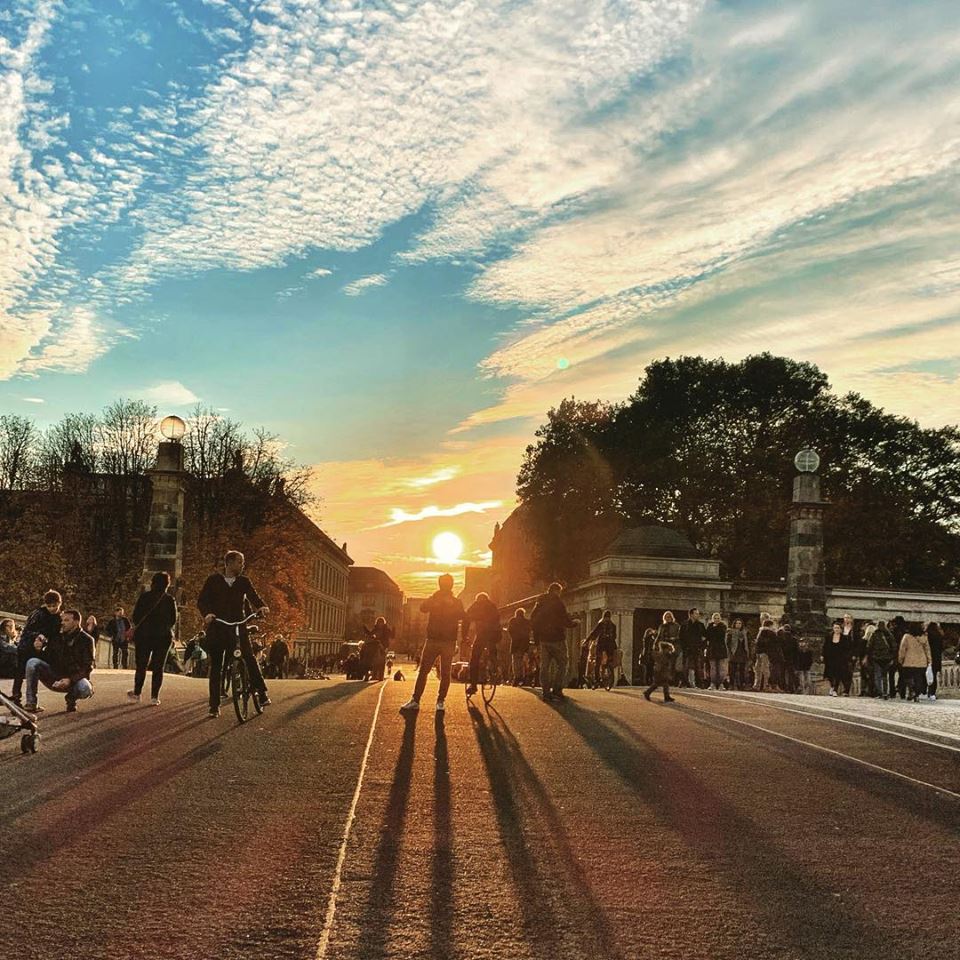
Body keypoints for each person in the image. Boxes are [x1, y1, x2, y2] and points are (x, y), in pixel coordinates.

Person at [198, 550, 271, 718]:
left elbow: (254, 596)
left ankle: (262, 692)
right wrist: (207, 614)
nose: (242, 565)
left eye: (242, 562)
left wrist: (261, 606)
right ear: (229, 563)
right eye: (239, 562)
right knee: (216, 667)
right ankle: (214, 706)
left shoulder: (243, 582)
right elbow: (202, 600)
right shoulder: (213, 580)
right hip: (219, 626)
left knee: (249, 657)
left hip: (238, 625)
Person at [401, 573, 465, 714]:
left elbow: (461, 615)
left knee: (426, 671)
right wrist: (436, 599)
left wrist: (444, 603)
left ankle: (416, 700)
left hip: (437, 640)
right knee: (443, 672)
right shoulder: (451, 600)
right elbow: (424, 607)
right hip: (444, 640)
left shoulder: (454, 602)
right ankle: (439, 701)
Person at [24, 608, 95, 713]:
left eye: (66, 620)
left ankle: (71, 698)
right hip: (55, 677)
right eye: (62, 620)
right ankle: (31, 703)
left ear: (76, 622)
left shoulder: (87, 640)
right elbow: (47, 658)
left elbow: (88, 666)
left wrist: (70, 679)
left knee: (85, 689)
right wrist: (37, 650)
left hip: (73, 680)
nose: (62, 623)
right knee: (32, 662)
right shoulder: (57, 637)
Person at [127, 571, 178, 706]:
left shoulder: (144, 597)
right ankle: (154, 697)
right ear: (167, 585)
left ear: (152, 583)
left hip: (144, 636)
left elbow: (136, 616)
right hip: (163, 637)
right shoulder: (169, 599)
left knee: (141, 666)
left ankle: (137, 693)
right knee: (158, 667)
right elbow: (173, 620)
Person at [9, 590, 63, 704]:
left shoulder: (59, 617)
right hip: (26, 645)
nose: (52, 608)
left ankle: (31, 700)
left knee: (33, 672)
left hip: (40, 647)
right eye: (49, 606)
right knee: (20, 671)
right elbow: (27, 630)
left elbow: (56, 635)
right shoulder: (38, 613)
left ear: (60, 603)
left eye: (55, 606)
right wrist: (38, 635)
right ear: (45, 605)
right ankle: (16, 696)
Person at [530, 582, 575, 702]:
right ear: (557, 591)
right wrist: (574, 623)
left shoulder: (539, 603)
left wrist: (536, 640)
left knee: (545, 666)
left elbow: (533, 620)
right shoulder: (558, 603)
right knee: (563, 663)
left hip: (543, 640)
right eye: (559, 592)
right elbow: (564, 620)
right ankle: (557, 689)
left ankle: (545, 692)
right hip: (557, 639)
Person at [464, 592, 502, 697]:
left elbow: (467, 618)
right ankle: (494, 665)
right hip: (495, 634)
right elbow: (498, 619)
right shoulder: (492, 606)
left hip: (482, 635)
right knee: (492, 648)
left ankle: (473, 685)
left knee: (474, 659)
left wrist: (464, 636)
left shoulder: (476, 605)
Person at [898, 623, 931, 703]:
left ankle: (911, 690)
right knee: (919, 679)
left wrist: (900, 659)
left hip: (909, 661)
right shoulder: (924, 637)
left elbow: (902, 649)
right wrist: (929, 660)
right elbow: (927, 650)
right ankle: (916, 695)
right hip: (921, 662)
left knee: (908, 677)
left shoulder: (906, 637)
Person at [585, 611, 618, 688]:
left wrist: (587, 640)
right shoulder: (613, 625)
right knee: (610, 660)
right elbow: (615, 636)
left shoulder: (601, 624)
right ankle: (609, 671)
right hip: (610, 646)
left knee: (598, 662)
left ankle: (597, 680)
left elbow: (594, 633)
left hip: (601, 645)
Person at [866, 619, 895, 700]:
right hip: (887, 658)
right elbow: (894, 646)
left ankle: (880, 692)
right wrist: (892, 656)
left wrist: (870, 656)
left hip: (876, 658)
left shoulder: (874, 634)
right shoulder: (889, 634)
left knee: (877, 675)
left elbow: (869, 646)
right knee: (885, 676)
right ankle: (885, 692)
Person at [822, 620, 852, 697]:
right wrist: (822, 655)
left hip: (840, 659)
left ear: (840, 629)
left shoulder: (844, 638)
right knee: (830, 674)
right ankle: (832, 686)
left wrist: (846, 657)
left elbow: (847, 648)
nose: (836, 629)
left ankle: (835, 689)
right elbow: (825, 647)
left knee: (838, 674)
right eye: (835, 628)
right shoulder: (829, 637)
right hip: (830, 658)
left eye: (838, 628)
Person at [643, 634, 676, 703]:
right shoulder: (661, 655)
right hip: (659, 671)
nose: (670, 651)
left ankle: (666, 696)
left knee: (664, 684)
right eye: (669, 650)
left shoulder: (664, 655)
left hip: (661, 671)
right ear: (665, 649)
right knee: (656, 684)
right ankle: (647, 692)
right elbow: (662, 664)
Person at [679, 608, 706, 688]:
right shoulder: (684, 624)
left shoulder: (700, 625)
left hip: (697, 649)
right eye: (696, 613)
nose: (698, 615)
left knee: (698, 666)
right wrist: (684, 647)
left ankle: (699, 684)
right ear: (691, 614)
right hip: (687, 648)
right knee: (685, 666)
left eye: (698, 614)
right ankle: (684, 682)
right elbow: (681, 637)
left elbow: (705, 636)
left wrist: (702, 646)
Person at [507, 609, 531, 686]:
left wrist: (514, 637)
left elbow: (510, 631)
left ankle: (517, 677)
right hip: (524, 644)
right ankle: (524, 676)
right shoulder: (527, 622)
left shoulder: (512, 621)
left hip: (515, 644)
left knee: (515, 661)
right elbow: (528, 632)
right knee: (523, 661)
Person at [725, 618, 749, 691]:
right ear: (734, 624)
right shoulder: (731, 632)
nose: (738, 625)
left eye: (740, 623)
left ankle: (741, 685)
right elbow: (728, 643)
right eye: (737, 623)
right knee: (732, 670)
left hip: (742, 652)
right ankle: (731, 684)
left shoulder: (745, 632)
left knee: (742, 670)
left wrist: (747, 651)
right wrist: (730, 652)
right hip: (734, 652)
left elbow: (748, 642)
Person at [704, 612, 727, 691]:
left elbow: (721, 635)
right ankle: (712, 683)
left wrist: (715, 628)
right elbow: (708, 636)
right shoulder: (710, 627)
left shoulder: (723, 627)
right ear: (713, 619)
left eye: (718, 618)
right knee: (713, 668)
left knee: (721, 668)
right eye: (715, 618)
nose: (716, 620)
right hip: (712, 650)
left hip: (721, 650)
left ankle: (721, 684)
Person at [753, 619, 777, 692]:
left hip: (759, 652)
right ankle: (765, 685)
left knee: (758, 669)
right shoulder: (770, 632)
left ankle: (757, 685)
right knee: (765, 669)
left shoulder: (760, 632)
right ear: (770, 625)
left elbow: (758, 642)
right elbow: (773, 643)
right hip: (765, 653)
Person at [924, 622, 944, 701]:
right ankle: (932, 693)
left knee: (926, 675)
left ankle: (925, 692)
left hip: (928, 658)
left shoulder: (927, 636)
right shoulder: (939, 636)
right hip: (936, 658)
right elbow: (941, 648)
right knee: (933, 676)